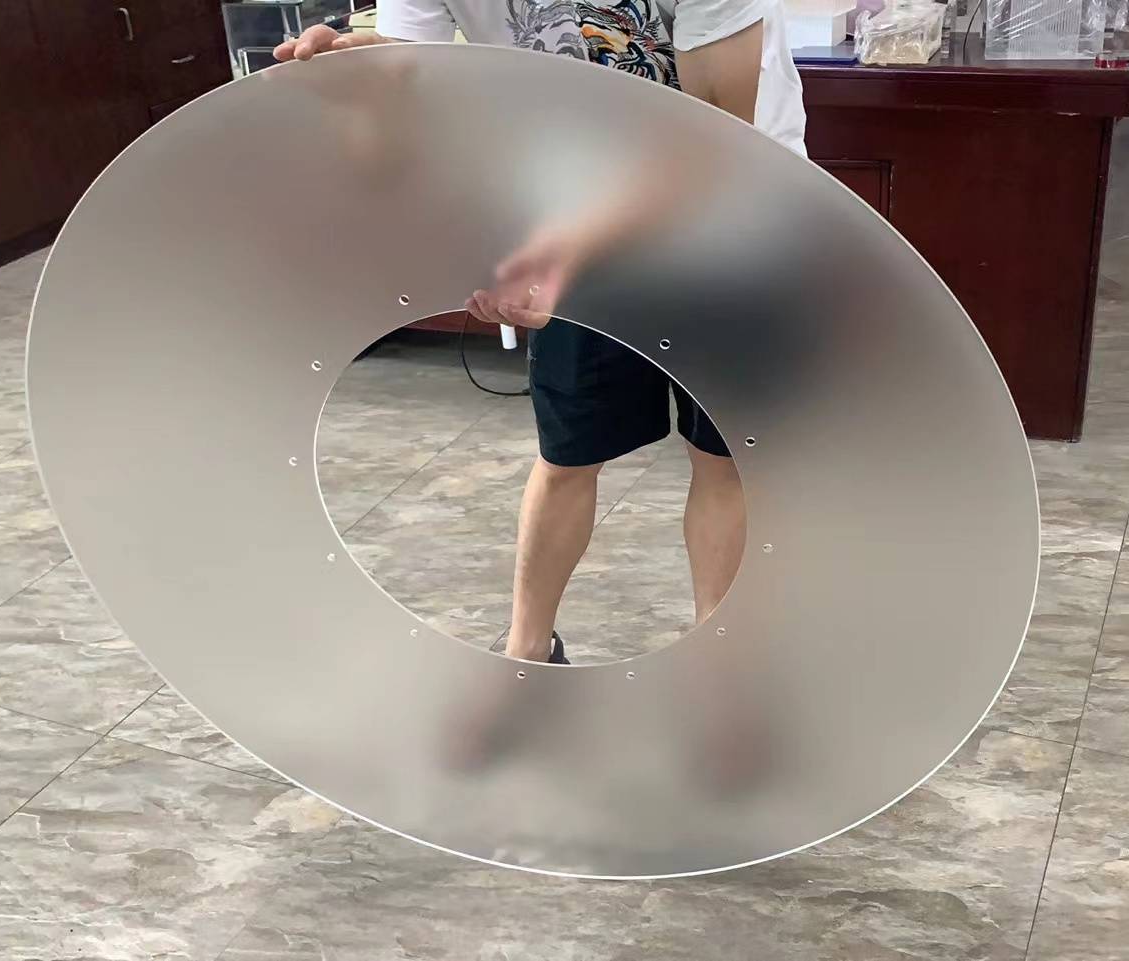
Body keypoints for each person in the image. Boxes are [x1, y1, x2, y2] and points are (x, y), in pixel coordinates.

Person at [276, 0, 805, 665]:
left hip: (731, 207)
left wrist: (566, 242)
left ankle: (717, 668)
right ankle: (527, 654)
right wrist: (362, 80)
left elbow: (718, 136)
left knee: (723, 452)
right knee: (568, 449)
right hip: (571, 206)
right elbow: (409, 85)